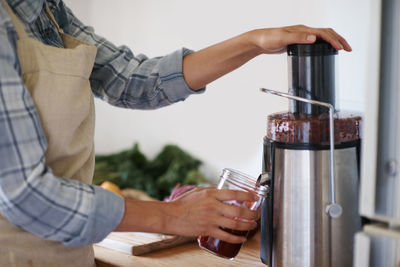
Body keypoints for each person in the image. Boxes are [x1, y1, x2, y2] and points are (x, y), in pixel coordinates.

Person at [0, 0, 352, 266]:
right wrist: (175, 215)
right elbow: (25, 193)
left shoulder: (46, 9)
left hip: (71, 254)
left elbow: (136, 80)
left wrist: (254, 42)